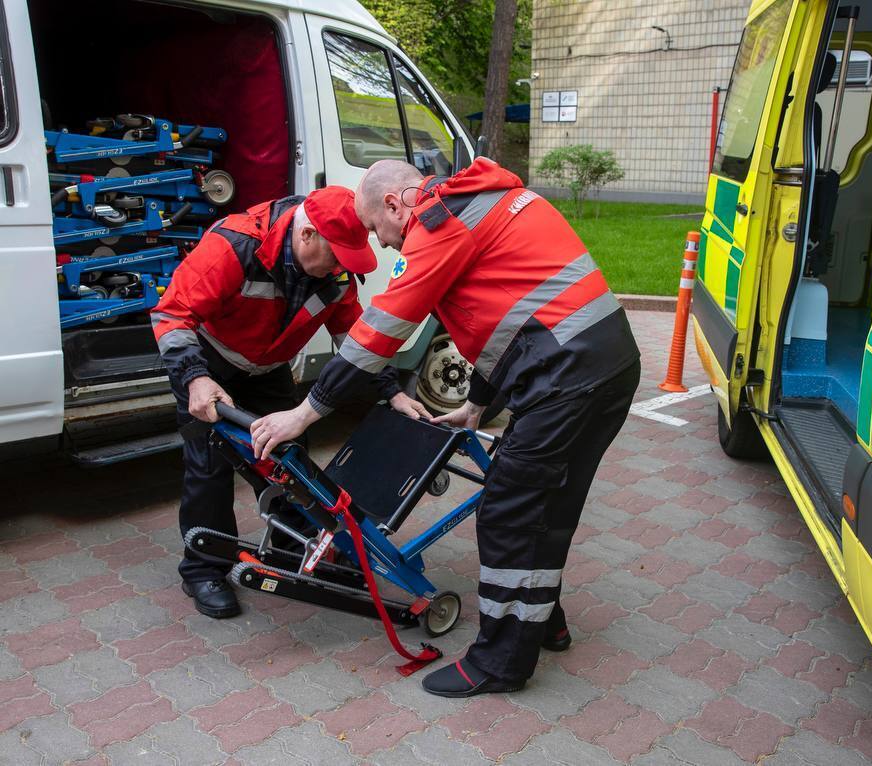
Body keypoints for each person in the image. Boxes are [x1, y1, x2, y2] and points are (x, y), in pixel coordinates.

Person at [249, 158, 641, 697]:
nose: (383, 246)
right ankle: (542, 622)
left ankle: (500, 664)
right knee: (545, 507)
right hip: (604, 369)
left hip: (565, 382)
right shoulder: (488, 202)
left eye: (375, 229)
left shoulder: (439, 224)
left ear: (394, 205)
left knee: (509, 513)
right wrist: (476, 407)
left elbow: (377, 334)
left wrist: (303, 413)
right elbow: (505, 318)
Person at [151, 186, 430, 619]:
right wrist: (196, 379)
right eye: (336, 257)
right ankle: (203, 568)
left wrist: (392, 392)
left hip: (269, 369)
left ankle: (291, 548)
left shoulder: (334, 275)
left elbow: (355, 340)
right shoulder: (235, 245)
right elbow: (171, 315)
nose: (341, 270)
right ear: (307, 237)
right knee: (210, 468)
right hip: (209, 365)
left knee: (290, 463)